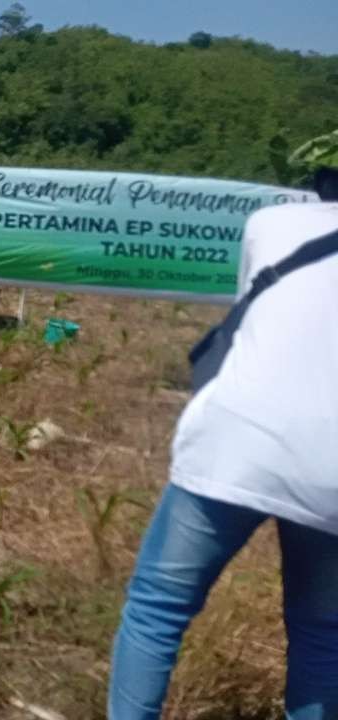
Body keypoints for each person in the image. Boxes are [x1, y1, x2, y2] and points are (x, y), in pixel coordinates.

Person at [108, 151, 338, 719]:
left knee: (157, 610)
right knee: (321, 632)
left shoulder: (275, 223)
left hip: (237, 442)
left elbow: (252, 320)